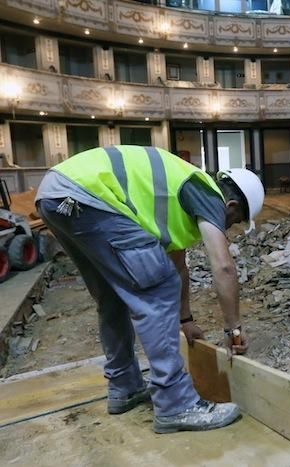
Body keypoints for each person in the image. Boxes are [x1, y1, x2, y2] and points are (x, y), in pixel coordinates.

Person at [34, 145, 265, 434]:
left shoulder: (181, 198)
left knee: (114, 295)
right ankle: (176, 404)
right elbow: (224, 266)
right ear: (231, 207)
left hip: (58, 194)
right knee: (157, 287)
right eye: (235, 222)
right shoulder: (207, 195)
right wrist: (233, 329)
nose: (228, 227)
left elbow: (178, 265)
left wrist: (186, 320)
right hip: (89, 196)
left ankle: (125, 387)